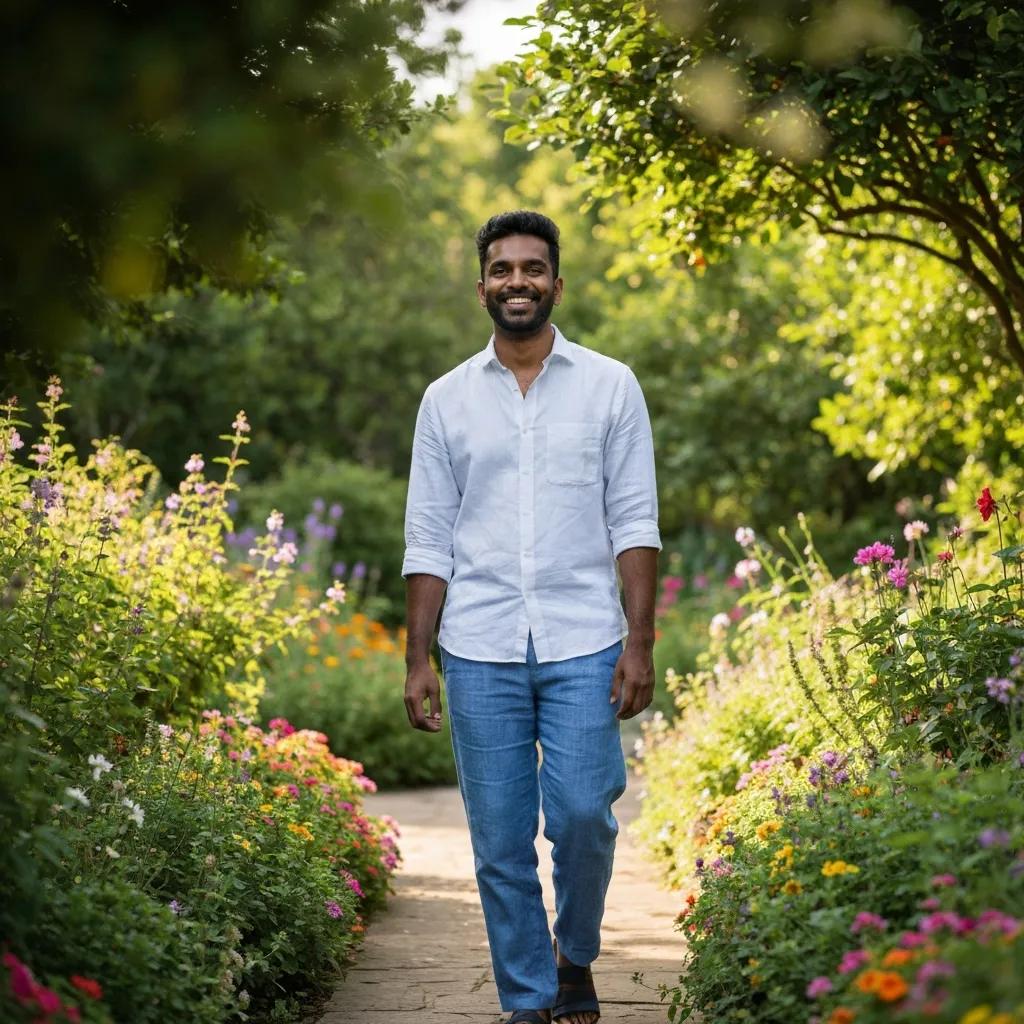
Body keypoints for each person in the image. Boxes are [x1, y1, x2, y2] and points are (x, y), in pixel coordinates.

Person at [401, 210, 661, 1024]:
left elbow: (636, 522)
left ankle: (573, 954)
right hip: (477, 644)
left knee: (585, 814)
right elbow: (427, 536)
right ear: (482, 285)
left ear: (556, 281)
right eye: (503, 269)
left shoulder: (611, 385)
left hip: (586, 636)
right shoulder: (445, 400)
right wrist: (417, 658)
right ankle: (528, 1001)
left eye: (533, 268)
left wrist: (641, 643)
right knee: (501, 844)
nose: (519, 281)